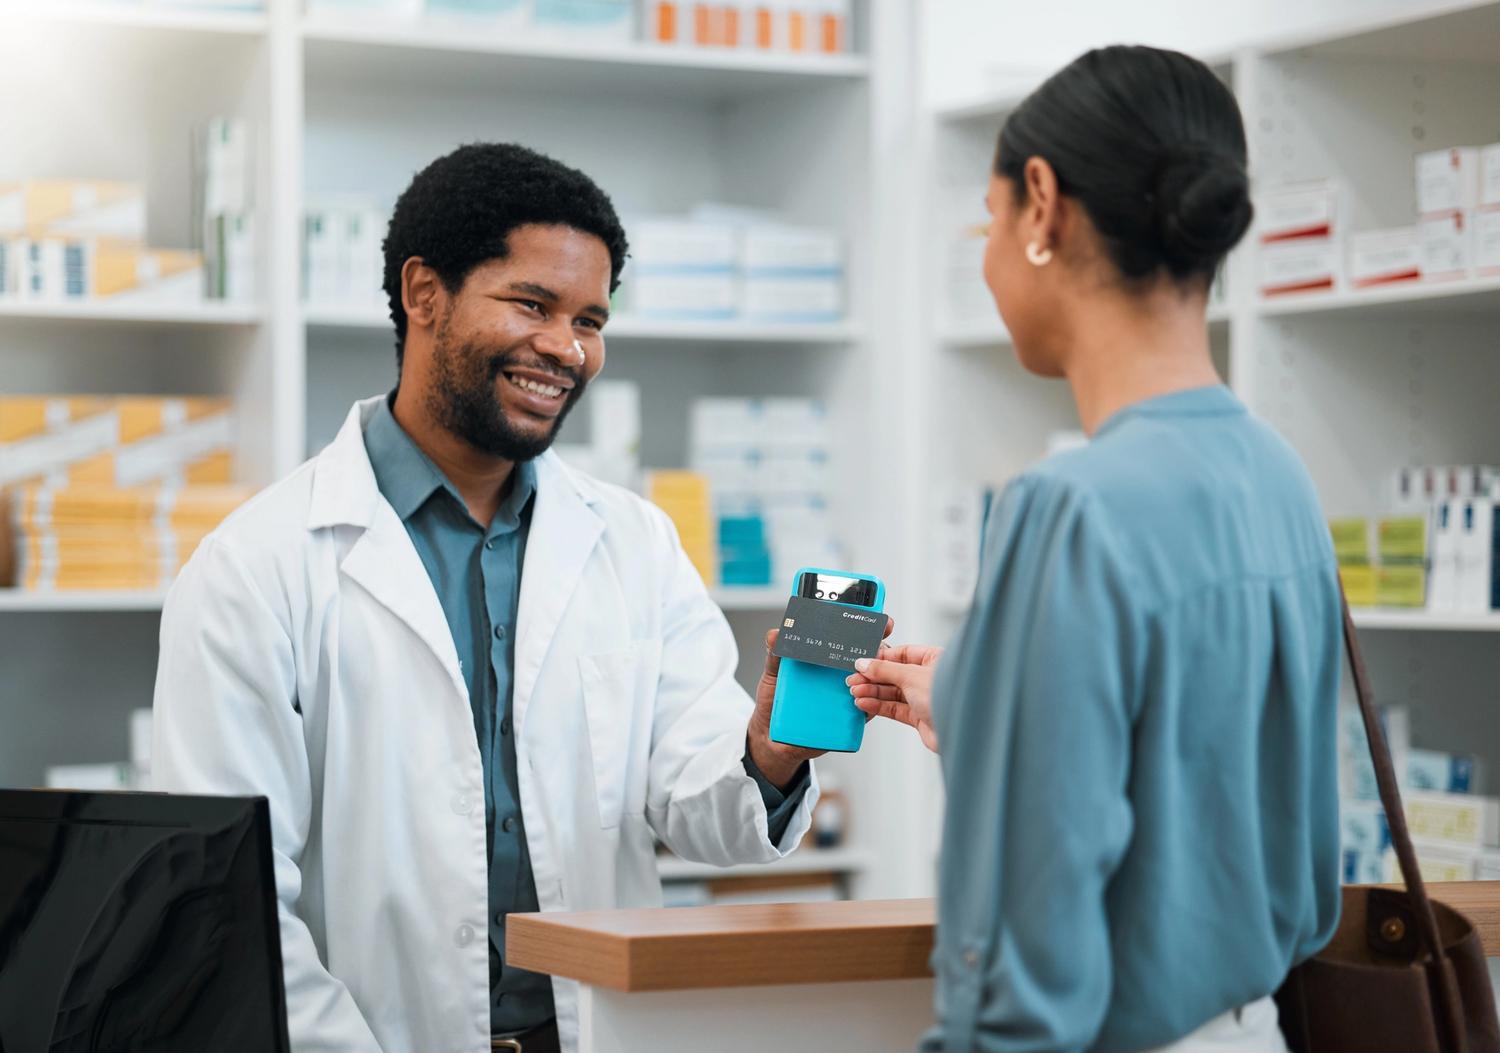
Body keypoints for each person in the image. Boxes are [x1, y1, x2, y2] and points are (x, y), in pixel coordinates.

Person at [151, 143, 829, 1053]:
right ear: (423, 293)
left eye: (590, 318)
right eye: (533, 304)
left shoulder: (631, 542)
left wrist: (769, 752)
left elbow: (697, 802)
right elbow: (228, 901)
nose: (567, 348)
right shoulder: (256, 567)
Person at [848, 46, 1341, 1053]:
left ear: (1041, 206)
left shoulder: (1069, 507)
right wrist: (990, 704)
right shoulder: (1279, 474)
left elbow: (1027, 961)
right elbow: (1211, 779)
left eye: (987, 224)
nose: (987, 259)